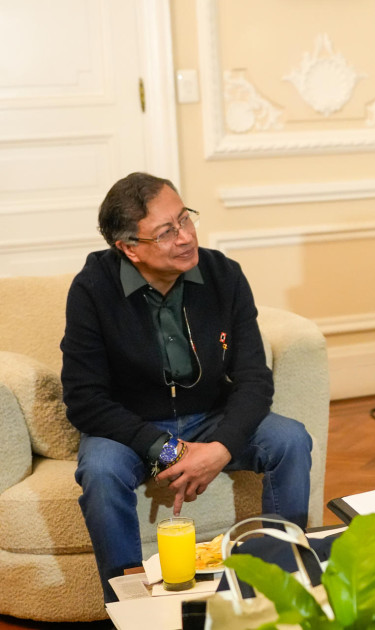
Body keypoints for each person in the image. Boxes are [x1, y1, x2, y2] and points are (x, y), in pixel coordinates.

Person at [61, 172, 314, 603]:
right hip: (130, 429)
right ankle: (130, 608)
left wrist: (221, 448)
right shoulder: (92, 289)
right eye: (165, 232)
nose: (185, 237)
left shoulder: (223, 274)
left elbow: (254, 378)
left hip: (210, 416)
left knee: (289, 439)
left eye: (184, 219)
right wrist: (168, 452)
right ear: (129, 248)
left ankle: (285, 585)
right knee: (101, 472)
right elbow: (84, 399)